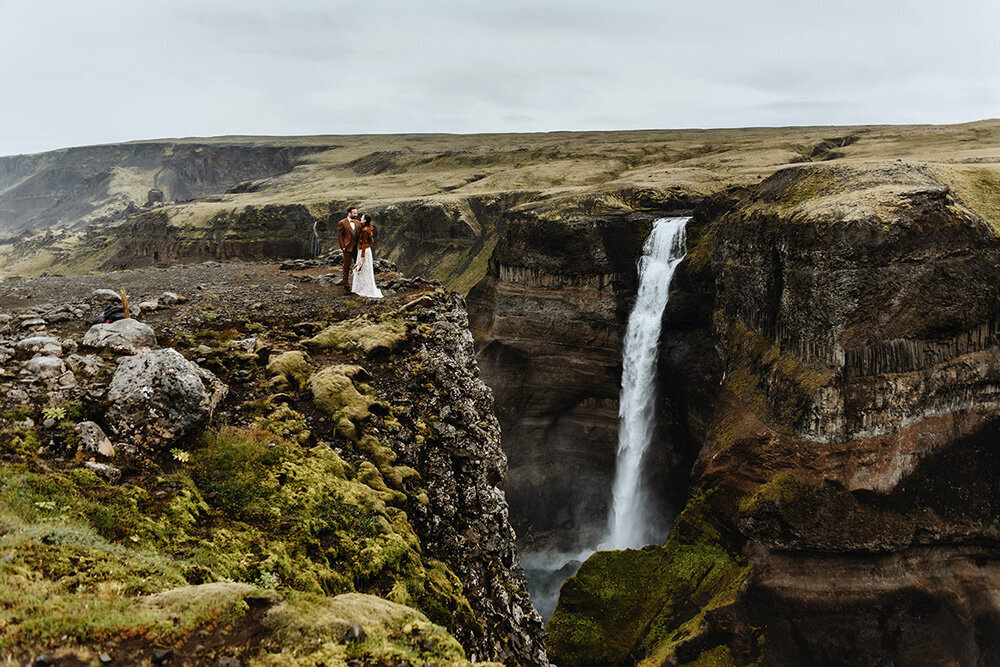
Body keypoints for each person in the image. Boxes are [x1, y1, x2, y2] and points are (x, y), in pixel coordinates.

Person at [351, 213, 383, 298]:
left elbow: (364, 243)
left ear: (365, 220)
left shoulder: (365, 230)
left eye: (362, 218)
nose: (360, 218)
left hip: (363, 250)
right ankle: (365, 286)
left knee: (363, 269)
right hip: (366, 250)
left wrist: (362, 256)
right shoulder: (368, 228)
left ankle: (363, 288)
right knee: (366, 269)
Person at [337, 206, 361, 293]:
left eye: (356, 213)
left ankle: (357, 284)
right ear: (349, 213)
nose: (356, 214)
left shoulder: (358, 223)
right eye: (354, 213)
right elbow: (340, 236)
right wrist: (343, 247)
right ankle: (346, 286)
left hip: (357, 248)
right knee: (346, 267)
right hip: (347, 248)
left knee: (357, 266)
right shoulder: (342, 223)